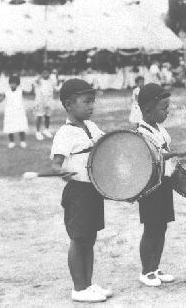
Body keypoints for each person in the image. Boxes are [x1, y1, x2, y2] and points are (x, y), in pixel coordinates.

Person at [50, 79, 112, 302]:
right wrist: (61, 171)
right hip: (77, 192)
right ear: (69, 104)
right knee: (78, 239)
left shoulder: (92, 127)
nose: (91, 106)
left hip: (93, 190)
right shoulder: (64, 133)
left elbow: (108, 143)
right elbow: (56, 163)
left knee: (90, 238)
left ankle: (88, 284)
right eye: (87, 102)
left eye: (93, 102)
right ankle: (78, 288)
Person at [136, 83, 186, 287]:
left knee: (161, 227)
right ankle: (146, 271)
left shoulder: (158, 128)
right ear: (147, 110)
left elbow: (167, 151)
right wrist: (177, 152)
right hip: (150, 186)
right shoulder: (141, 132)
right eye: (164, 108)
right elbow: (152, 155)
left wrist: (184, 151)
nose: (167, 111)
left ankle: (155, 267)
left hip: (163, 183)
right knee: (151, 228)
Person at [0, 75, 28, 149]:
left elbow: (29, 93)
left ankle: (22, 141)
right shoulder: (6, 91)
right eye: (11, 83)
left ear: (17, 84)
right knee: (9, 127)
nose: (12, 85)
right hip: (10, 112)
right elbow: (0, 99)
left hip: (19, 111)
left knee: (21, 126)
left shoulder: (20, 90)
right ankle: (11, 142)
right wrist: (0, 99)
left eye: (14, 83)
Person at [34, 69, 56, 140]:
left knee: (47, 116)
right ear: (41, 74)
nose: (46, 74)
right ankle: (38, 132)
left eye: (47, 73)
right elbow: (36, 82)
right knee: (39, 116)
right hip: (40, 101)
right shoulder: (38, 80)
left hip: (48, 101)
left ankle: (46, 129)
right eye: (44, 73)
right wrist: (40, 77)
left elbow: (54, 86)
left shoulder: (51, 80)